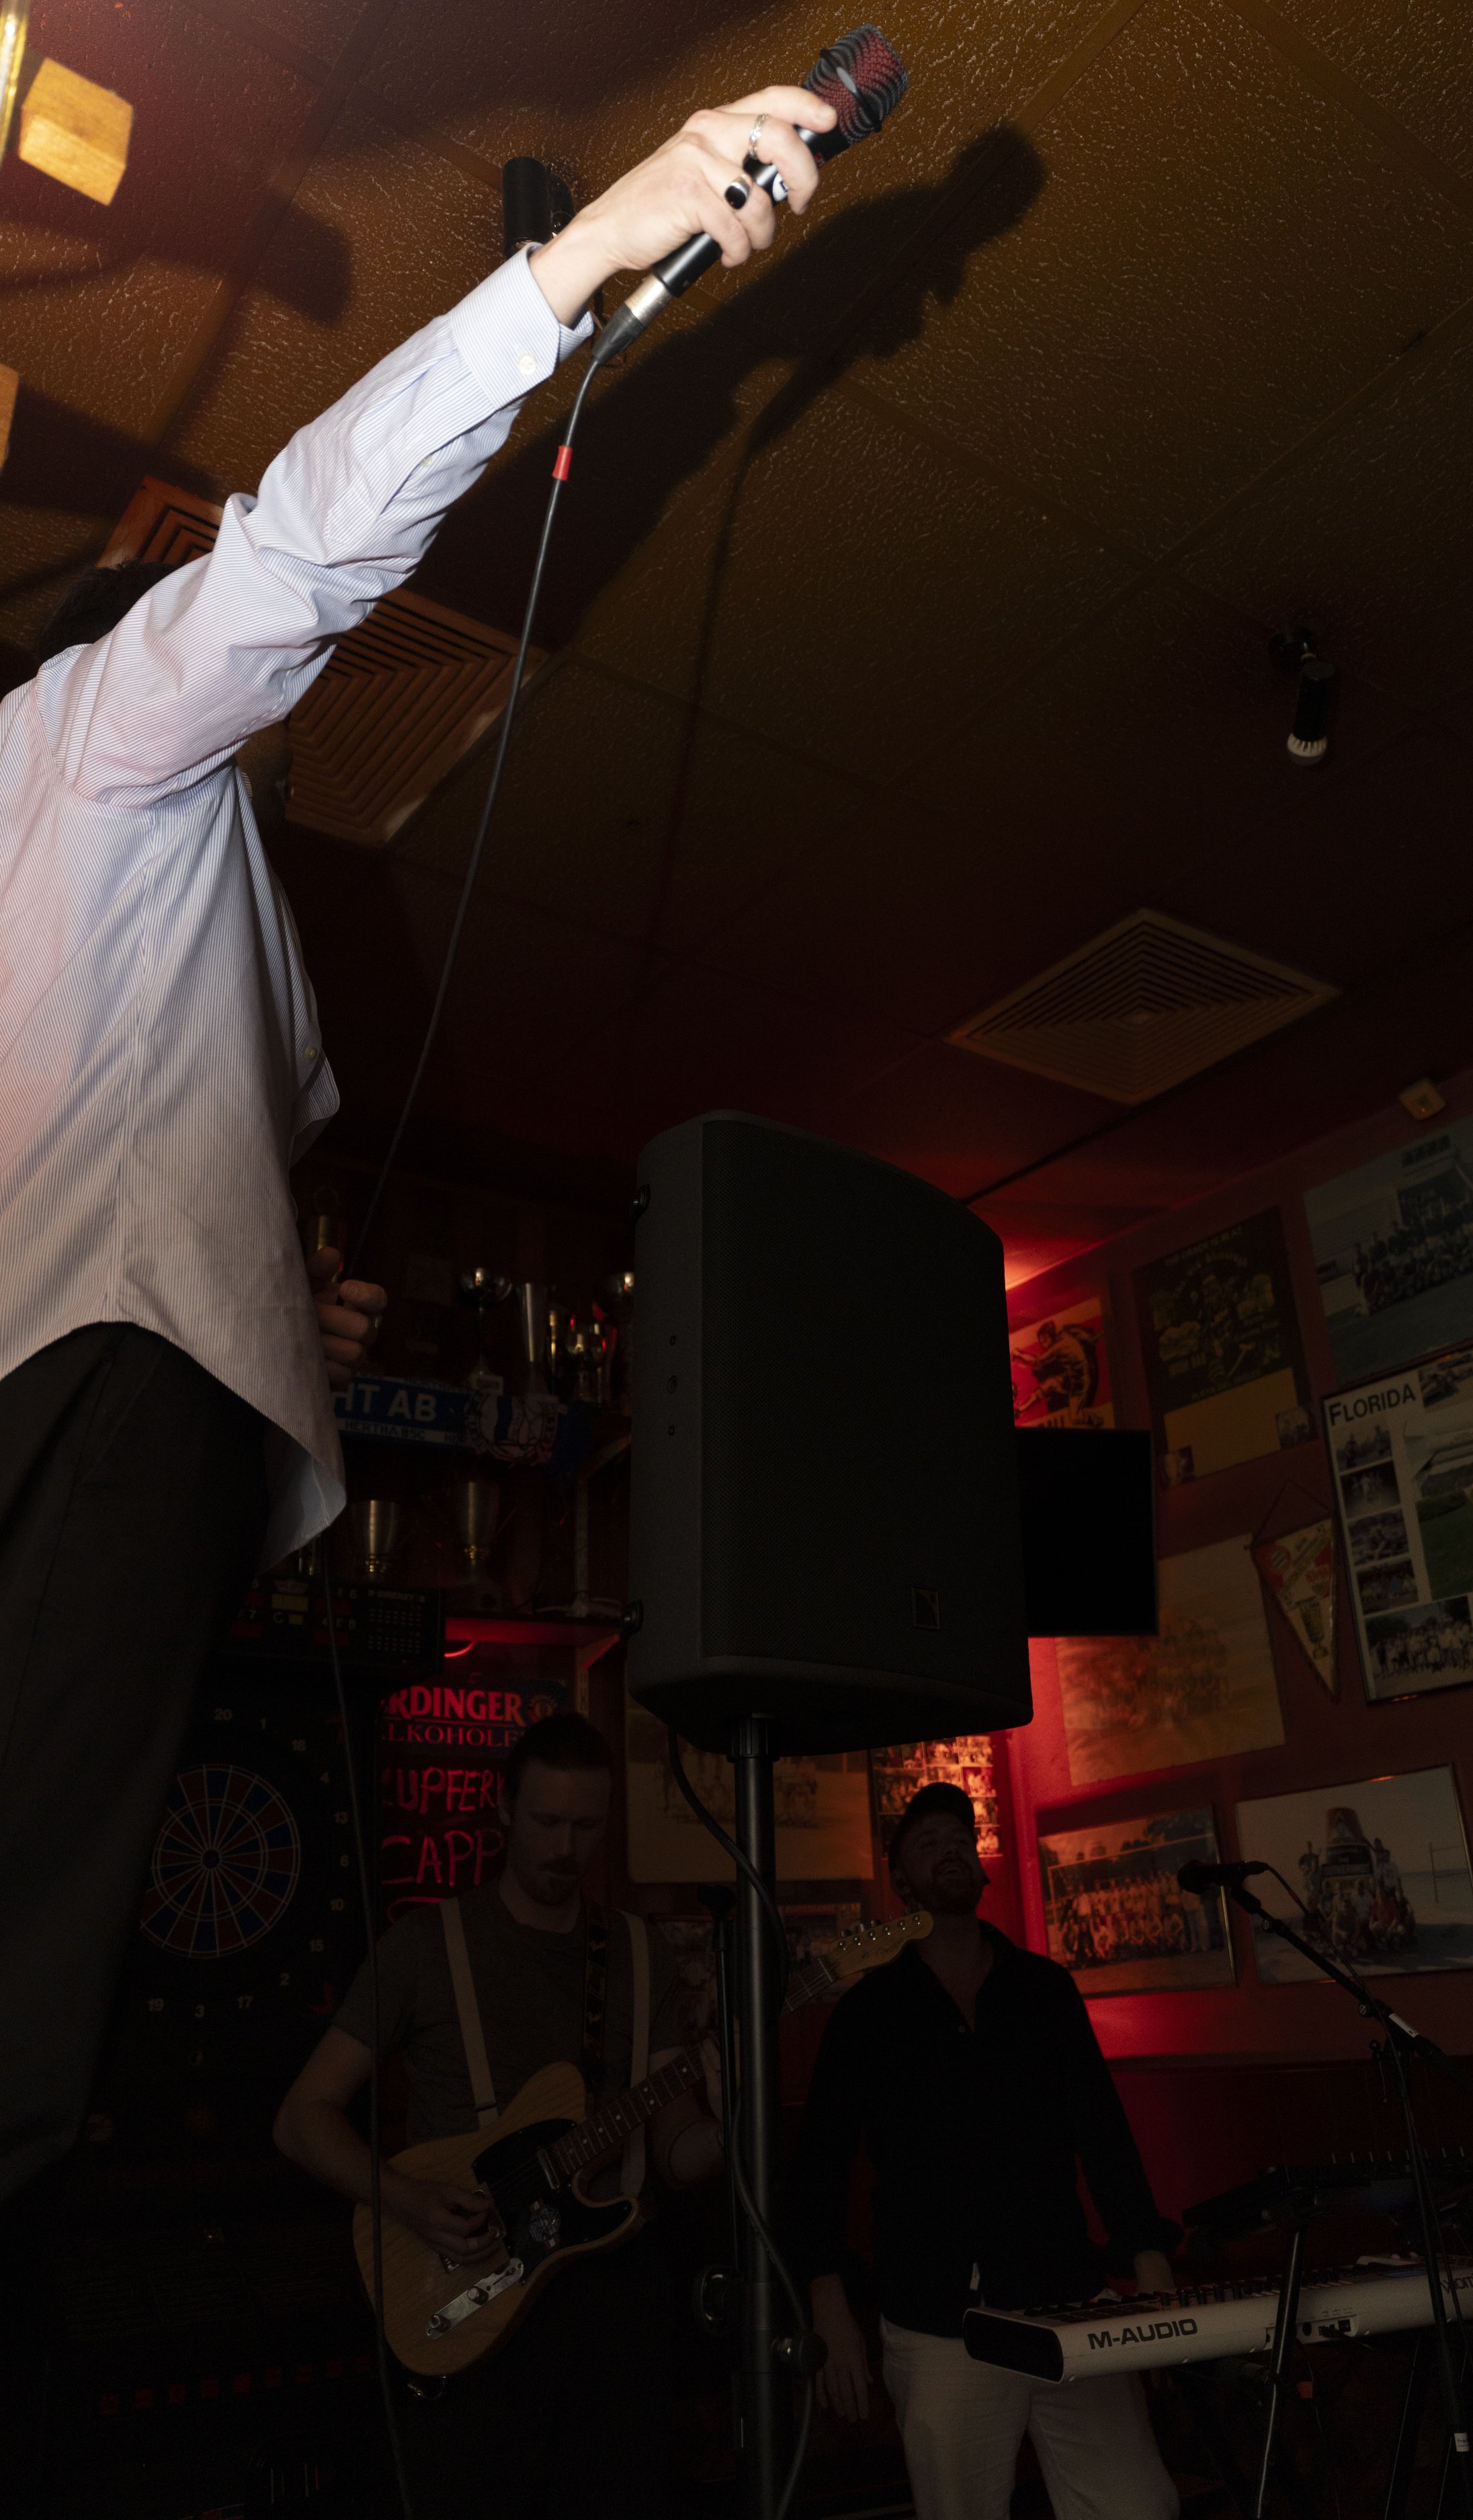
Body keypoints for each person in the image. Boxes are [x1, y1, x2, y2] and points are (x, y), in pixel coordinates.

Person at [0, 75, 835, 2210]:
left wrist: (277, 1300)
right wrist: (574, 265)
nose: (260, 745)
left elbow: (111, 1138)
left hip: (118, 1388)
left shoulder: (126, 892)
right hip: (97, 1395)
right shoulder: (99, 735)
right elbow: (289, 555)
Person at [274, 1712, 724, 2517]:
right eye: (546, 1822)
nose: (565, 1847)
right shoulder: (425, 1946)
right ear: (504, 1808)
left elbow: (677, 2152)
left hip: (613, 2300)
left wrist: (730, 2116)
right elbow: (302, 2118)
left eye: (585, 1826)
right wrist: (408, 2199)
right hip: (470, 2283)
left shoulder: (637, 1951)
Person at [792, 1783, 1180, 2520]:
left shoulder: (1043, 1989)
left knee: (1137, 2504)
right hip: (941, 2317)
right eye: (927, 1841)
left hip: (1066, 2294)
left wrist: (1147, 2253)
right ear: (901, 1880)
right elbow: (820, 2166)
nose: (950, 1848)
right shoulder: (869, 2012)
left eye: (960, 1837)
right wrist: (827, 2299)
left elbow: (1103, 2130)